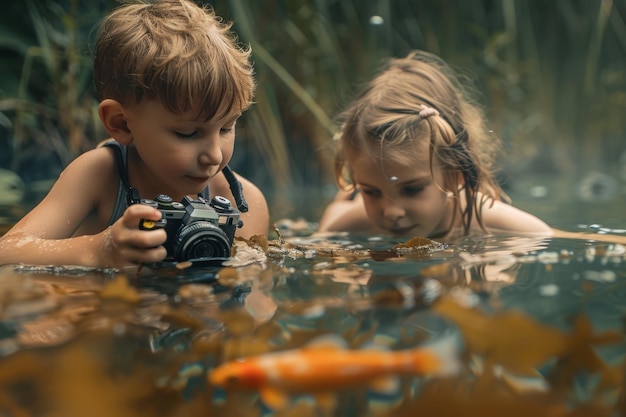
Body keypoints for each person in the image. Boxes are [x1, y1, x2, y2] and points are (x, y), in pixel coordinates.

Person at [0, 0, 269, 268]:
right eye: (187, 133)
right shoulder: (100, 175)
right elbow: (7, 251)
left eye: (226, 128)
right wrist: (98, 250)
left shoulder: (243, 202)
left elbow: (251, 299)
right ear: (122, 124)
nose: (214, 155)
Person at [318, 50, 553, 240]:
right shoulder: (358, 220)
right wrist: (334, 214)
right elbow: (327, 231)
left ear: (455, 174)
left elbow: (549, 236)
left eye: (412, 189)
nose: (391, 212)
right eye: (370, 192)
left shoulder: (500, 224)